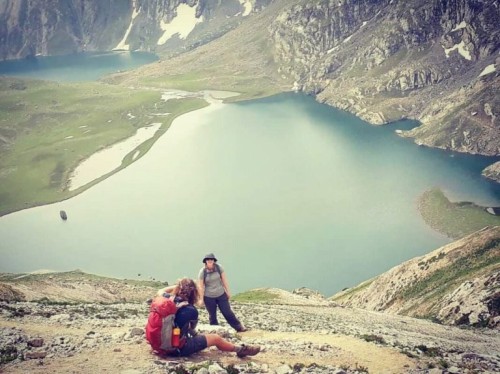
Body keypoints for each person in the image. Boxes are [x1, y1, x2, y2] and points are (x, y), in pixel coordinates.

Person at [157, 278, 260, 358]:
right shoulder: (191, 310)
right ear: (193, 293)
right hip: (175, 349)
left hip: (157, 344)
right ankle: (241, 350)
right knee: (216, 338)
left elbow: (160, 290)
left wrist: (178, 286)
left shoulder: (166, 298)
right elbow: (192, 329)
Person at [198, 253, 247, 332]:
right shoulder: (202, 272)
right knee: (212, 315)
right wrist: (201, 299)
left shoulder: (219, 268)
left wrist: (228, 292)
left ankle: (239, 327)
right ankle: (215, 331)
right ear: (205, 261)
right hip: (209, 297)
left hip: (221, 294)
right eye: (208, 260)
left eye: (211, 259)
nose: (210, 261)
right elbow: (200, 286)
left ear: (214, 261)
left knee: (227, 312)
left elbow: (224, 280)